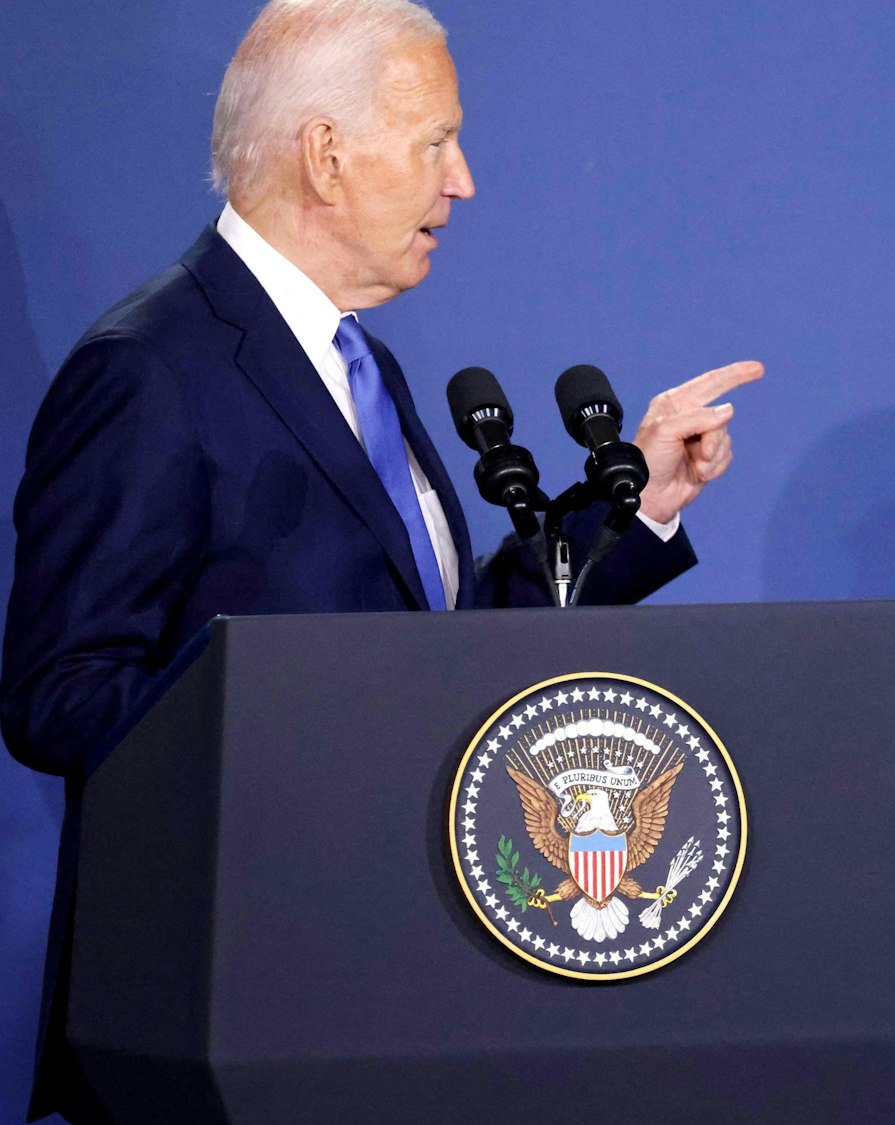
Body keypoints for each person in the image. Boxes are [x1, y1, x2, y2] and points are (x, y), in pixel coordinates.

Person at [0, 2, 759, 1120]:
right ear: (326, 155)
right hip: (228, 1012)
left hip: (394, 990)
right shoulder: (150, 370)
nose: (463, 182)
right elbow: (58, 697)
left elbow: (435, 659)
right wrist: (293, 709)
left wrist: (629, 506)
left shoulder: (360, 363)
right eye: (437, 141)